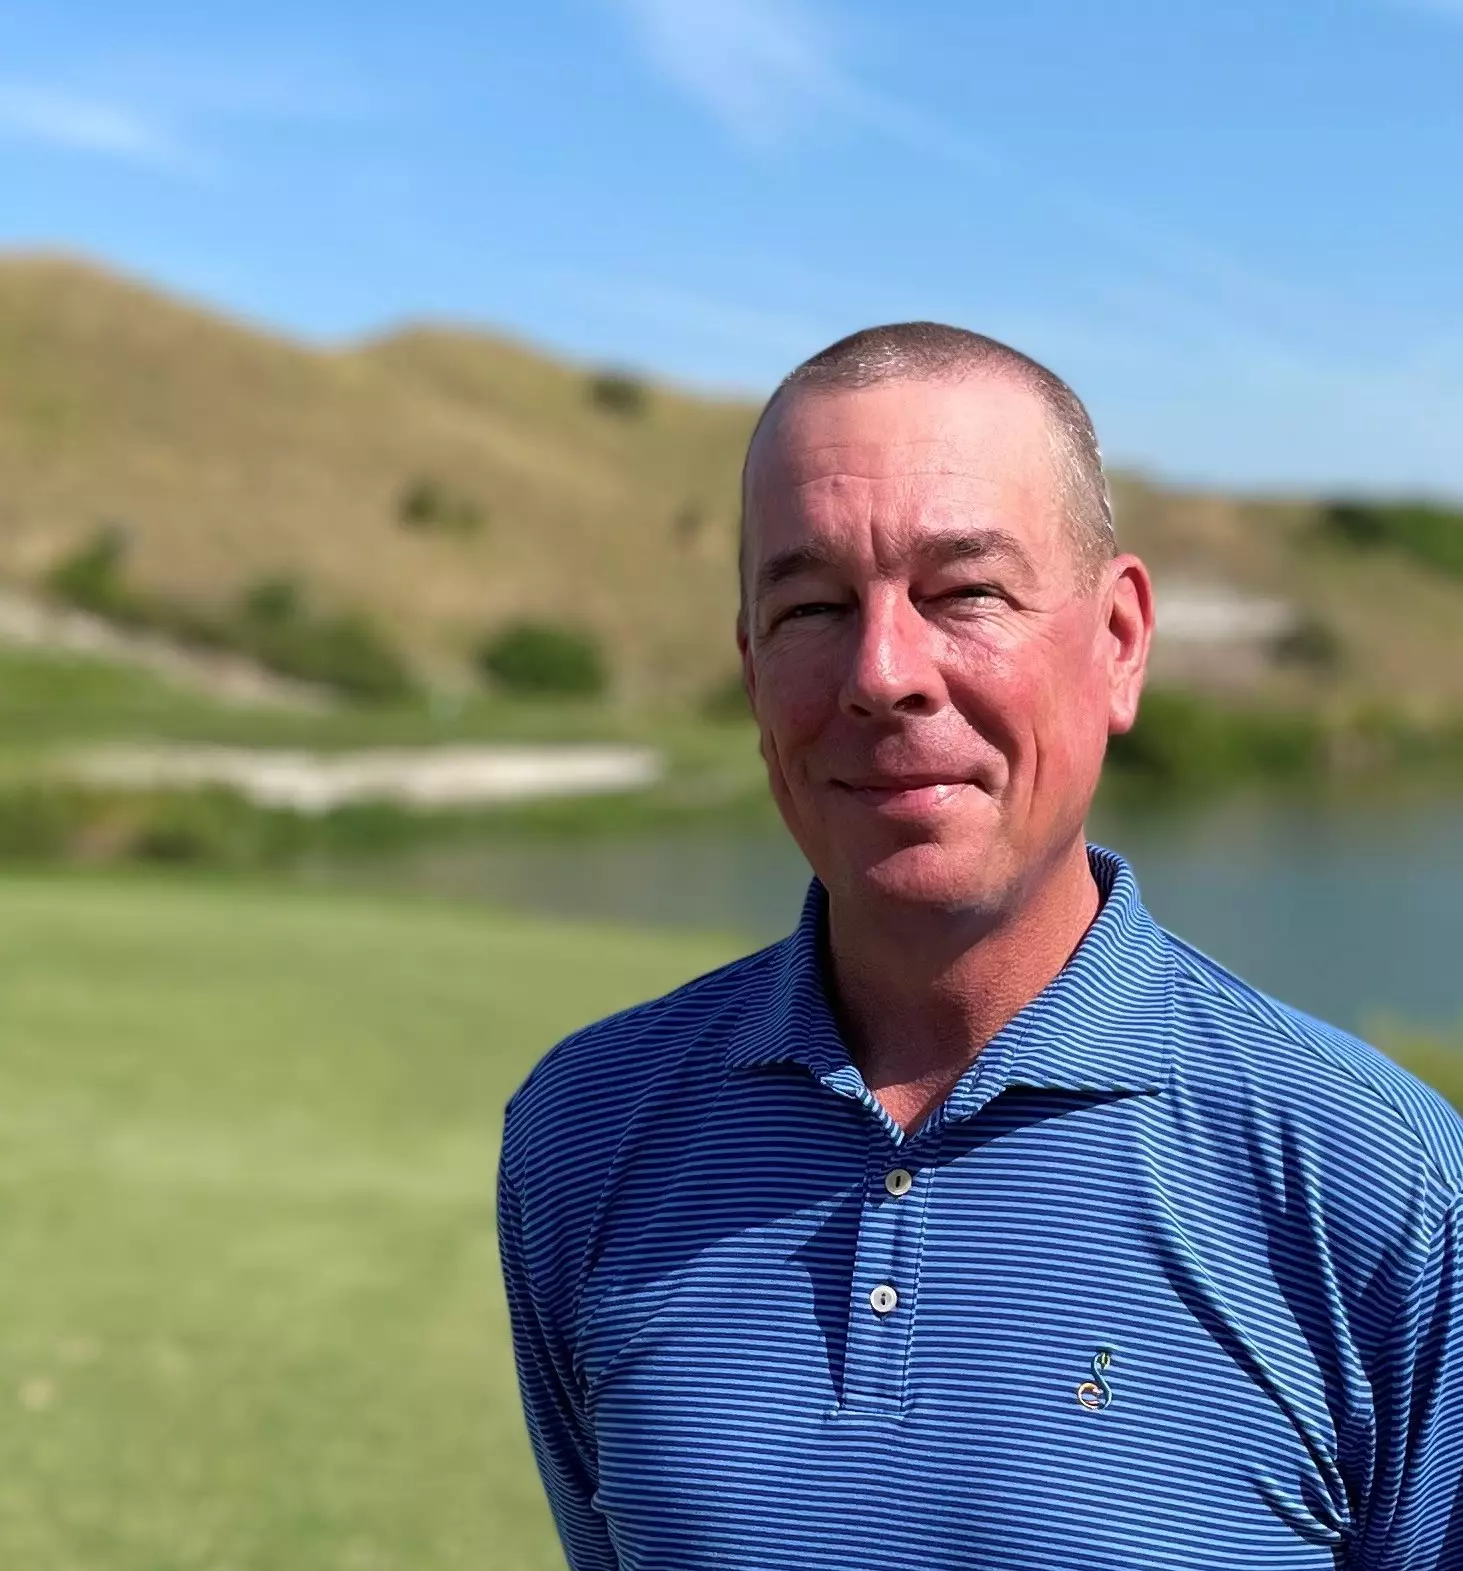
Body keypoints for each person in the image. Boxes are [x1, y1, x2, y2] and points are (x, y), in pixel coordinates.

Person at [497, 323, 1463, 1570]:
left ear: (1117, 642)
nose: (881, 672)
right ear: (748, 668)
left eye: (963, 592)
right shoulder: (583, 1130)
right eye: (809, 606)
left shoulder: (1375, 1181)